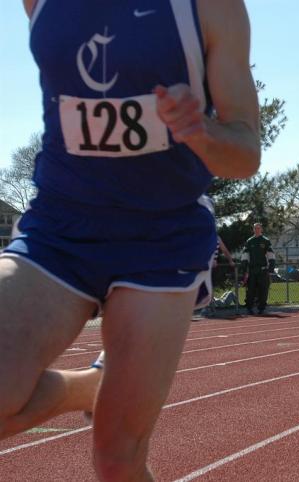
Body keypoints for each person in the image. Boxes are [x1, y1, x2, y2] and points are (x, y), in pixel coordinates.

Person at [1, 2, 260, 481]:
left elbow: (244, 152)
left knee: (118, 459)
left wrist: (199, 128)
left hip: (161, 236)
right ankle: (86, 388)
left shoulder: (211, 6)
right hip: (58, 227)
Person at [240, 222, 276, 315]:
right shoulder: (249, 241)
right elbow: (245, 255)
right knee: (250, 290)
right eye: (255, 228)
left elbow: (270, 254)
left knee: (263, 290)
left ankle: (261, 308)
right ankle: (249, 308)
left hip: (263, 270)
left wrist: (271, 265)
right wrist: (244, 266)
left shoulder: (266, 241)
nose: (257, 230)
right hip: (252, 270)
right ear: (253, 229)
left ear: (261, 229)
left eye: (259, 228)